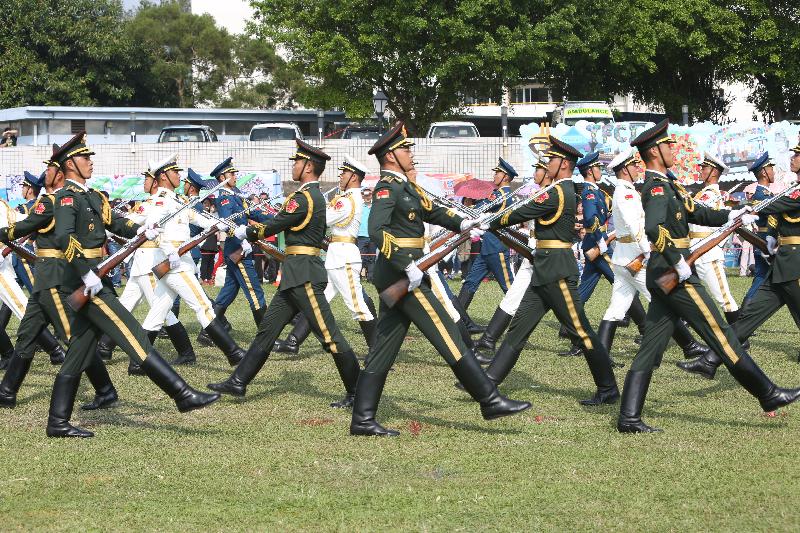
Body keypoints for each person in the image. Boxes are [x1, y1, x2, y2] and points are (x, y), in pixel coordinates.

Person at [616, 120, 799, 433]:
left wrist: (731, 214)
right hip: (674, 273)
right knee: (721, 333)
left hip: (664, 274)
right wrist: (678, 261)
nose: (675, 148)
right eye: (669, 145)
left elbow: (697, 213)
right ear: (655, 152)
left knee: (651, 346)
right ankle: (767, 394)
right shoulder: (657, 187)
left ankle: (628, 418)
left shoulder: (668, 184)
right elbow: (653, 229)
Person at [349, 123, 531, 437]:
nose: (410, 154)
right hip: (402, 273)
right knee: (448, 334)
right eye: (406, 149)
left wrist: (464, 221)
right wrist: (407, 265)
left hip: (406, 272)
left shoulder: (406, 186)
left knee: (383, 349)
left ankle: (362, 419)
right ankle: (488, 399)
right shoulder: (387, 187)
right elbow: (378, 230)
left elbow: (433, 211)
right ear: (391, 155)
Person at [47, 132, 219, 438]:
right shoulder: (67, 198)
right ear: (70, 163)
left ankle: (57, 421)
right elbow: (64, 238)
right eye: (85, 158)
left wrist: (143, 227)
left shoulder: (92, 196)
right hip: (85, 280)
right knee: (133, 333)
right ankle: (182, 394)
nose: (90, 162)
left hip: (96, 279)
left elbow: (114, 222)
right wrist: (85, 272)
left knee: (79, 351)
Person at [208, 140, 363, 410]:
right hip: (295, 273)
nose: (293, 166)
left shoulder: (304, 198)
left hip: (303, 274)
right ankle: (238, 381)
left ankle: (358, 391)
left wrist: (247, 231)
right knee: (266, 332)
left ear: (308, 166)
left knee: (330, 335)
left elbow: (277, 223)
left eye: (297, 162)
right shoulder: (311, 196)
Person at [476, 136, 619, 409]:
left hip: (557, 270)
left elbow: (519, 212)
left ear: (564, 164)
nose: (548, 163)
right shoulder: (559, 189)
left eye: (552, 159)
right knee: (518, 330)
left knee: (582, 332)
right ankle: (487, 383)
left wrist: (488, 220)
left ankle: (608, 388)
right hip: (545, 268)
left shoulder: (557, 191)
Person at [0, 149, 112, 409]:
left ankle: (105, 390)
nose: (45, 173)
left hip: (55, 277)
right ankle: (6, 391)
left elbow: (25, 226)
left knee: (74, 337)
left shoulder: (54, 201)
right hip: (44, 277)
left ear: (60, 174)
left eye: (49, 168)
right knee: (27, 336)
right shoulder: (50, 199)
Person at [678, 143, 800, 377]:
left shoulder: (796, 191)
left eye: (797, 155)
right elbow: (777, 213)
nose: (793, 158)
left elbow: (772, 205)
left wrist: (741, 209)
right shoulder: (793, 188)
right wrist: (772, 237)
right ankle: (711, 360)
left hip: (795, 266)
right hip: (783, 265)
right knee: (747, 318)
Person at [138, 155, 246, 367]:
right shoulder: (161, 200)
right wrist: (170, 252)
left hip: (179, 259)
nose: (179, 175)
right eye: (175, 172)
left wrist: (224, 225)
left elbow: (199, 219)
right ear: (163, 176)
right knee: (203, 306)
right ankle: (234, 354)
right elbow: (152, 228)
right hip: (173, 262)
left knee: (158, 313)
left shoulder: (177, 200)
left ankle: (138, 361)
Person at [94, 161, 194, 372]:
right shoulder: (151, 202)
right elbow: (126, 224)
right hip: (139, 262)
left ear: (156, 181)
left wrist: (104, 233)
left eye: (147, 178)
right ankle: (105, 346)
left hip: (150, 262)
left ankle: (185, 352)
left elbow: (127, 222)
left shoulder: (154, 204)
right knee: (125, 305)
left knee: (162, 311)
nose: (145, 182)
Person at [273, 155, 379, 355]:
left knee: (357, 306)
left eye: (344, 173)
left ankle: (377, 352)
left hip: (344, 258)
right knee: (318, 301)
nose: (340, 176)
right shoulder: (346, 198)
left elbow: (323, 219)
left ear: (354, 177)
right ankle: (293, 341)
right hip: (337, 256)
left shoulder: (347, 200)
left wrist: (303, 211)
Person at [474, 158, 548, 359]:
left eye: (539, 169)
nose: (535, 172)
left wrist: (492, 221)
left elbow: (520, 215)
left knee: (571, 314)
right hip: (533, 254)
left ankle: (594, 349)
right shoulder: (537, 192)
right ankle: (488, 340)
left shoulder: (550, 194)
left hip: (549, 258)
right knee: (512, 296)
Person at [206, 157, 270, 328]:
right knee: (254, 291)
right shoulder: (224, 198)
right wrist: (242, 239)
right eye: (231, 173)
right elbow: (228, 222)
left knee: (228, 292)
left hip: (239, 247)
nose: (235, 175)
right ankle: (266, 333)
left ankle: (208, 332)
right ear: (222, 178)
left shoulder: (236, 194)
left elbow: (254, 214)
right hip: (238, 249)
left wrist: (278, 219)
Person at [456, 158, 517, 334]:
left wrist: (470, 211)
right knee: (470, 282)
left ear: (505, 176)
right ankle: (460, 320)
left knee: (510, 288)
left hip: (497, 247)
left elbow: (481, 209)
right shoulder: (497, 194)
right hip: (487, 247)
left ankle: (520, 323)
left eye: (497, 173)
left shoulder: (503, 195)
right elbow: (480, 208)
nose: (494, 175)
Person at [689, 153, 740, 324]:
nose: (701, 170)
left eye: (704, 168)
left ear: (713, 172)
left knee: (723, 297)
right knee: (683, 294)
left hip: (707, 251)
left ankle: (741, 336)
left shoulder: (710, 194)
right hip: (693, 249)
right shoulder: (704, 193)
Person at [357, 188, 375, 280]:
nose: (367, 198)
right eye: (365, 196)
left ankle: (371, 278)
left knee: (372, 258)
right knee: (361, 258)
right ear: (363, 196)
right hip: (361, 236)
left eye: (369, 195)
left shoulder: (375, 207)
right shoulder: (359, 207)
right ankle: (358, 276)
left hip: (372, 236)